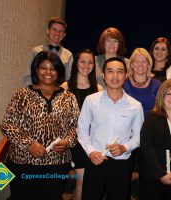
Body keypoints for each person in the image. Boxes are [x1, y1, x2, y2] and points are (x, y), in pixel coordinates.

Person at [0, 51, 79, 200]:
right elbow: (7, 125)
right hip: (24, 161)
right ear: (36, 70)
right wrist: (29, 144)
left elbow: (76, 127)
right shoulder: (22, 95)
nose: (48, 72)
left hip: (57, 162)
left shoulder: (69, 97)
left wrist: (67, 142)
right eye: (44, 68)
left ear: (58, 71)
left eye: (53, 68)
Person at [78, 57, 144, 200]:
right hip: (95, 160)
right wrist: (91, 152)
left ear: (126, 76)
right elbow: (82, 130)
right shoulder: (91, 100)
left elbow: (139, 136)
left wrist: (124, 147)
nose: (115, 76)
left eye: (120, 71)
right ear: (103, 75)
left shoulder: (135, 105)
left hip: (122, 163)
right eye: (110, 71)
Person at [61, 49, 103, 200]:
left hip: (94, 141)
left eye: (90, 62)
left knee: (90, 183)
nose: (87, 65)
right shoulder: (65, 87)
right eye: (83, 61)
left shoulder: (99, 88)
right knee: (82, 182)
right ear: (76, 63)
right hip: (75, 141)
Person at [23, 17, 73, 86]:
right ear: (48, 31)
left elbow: (68, 79)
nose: (57, 33)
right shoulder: (36, 51)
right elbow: (28, 76)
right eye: (54, 29)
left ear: (64, 35)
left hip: (59, 94)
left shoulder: (68, 55)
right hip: (38, 93)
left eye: (61, 31)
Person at [123, 47, 161, 115]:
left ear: (148, 65)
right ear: (131, 65)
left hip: (150, 124)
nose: (140, 64)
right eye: (136, 61)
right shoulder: (123, 84)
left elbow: (160, 109)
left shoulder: (157, 85)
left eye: (144, 61)